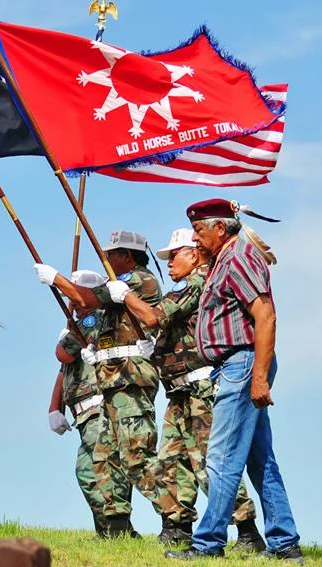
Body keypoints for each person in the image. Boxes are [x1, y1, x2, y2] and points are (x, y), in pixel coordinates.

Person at [110, 228, 264, 549]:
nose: (168, 264)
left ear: (193, 254)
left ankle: (247, 529)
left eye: (174, 256)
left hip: (200, 390)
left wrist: (125, 295)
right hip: (179, 392)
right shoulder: (186, 287)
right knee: (171, 460)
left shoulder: (199, 282)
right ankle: (178, 526)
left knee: (210, 462)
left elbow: (155, 316)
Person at [166, 199, 302, 562]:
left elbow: (266, 316)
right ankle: (285, 544)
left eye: (199, 231)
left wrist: (258, 377)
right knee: (260, 459)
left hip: (241, 364)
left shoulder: (238, 257)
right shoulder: (224, 259)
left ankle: (208, 543)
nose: (195, 239)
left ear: (220, 229)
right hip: (237, 365)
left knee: (221, 456)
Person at [34, 230, 184, 537]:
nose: (106, 260)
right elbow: (71, 344)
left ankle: (177, 520)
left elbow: (84, 298)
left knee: (137, 458)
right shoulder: (118, 288)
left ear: (127, 256)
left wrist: (57, 279)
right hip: (113, 384)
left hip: (130, 381)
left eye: (111, 254)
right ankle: (117, 531)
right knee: (103, 460)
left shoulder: (140, 280)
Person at [49, 269, 130, 538]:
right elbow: (64, 370)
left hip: (97, 409)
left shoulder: (92, 320)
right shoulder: (79, 323)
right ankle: (108, 532)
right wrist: (55, 408)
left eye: (73, 294)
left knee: (102, 471)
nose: (69, 301)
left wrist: (67, 334)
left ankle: (118, 531)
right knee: (87, 473)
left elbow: (63, 353)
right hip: (82, 413)